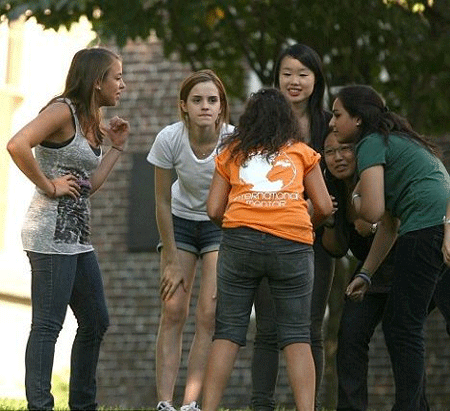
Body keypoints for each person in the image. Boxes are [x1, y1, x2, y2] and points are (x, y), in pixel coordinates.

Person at [6, 47, 129, 410]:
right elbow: (16, 144)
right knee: (48, 324)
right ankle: (40, 405)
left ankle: (83, 405)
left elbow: (88, 184)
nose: (123, 84)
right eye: (117, 77)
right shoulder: (62, 111)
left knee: (95, 321)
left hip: (77, 238)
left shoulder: (92, 120)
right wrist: (49, 184)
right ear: (96, 82)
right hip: (47, 234)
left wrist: (116, 148)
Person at [202, 87, 333, 411]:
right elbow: (325, 206)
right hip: (292, 245)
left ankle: (206, 408)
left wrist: (239, 228)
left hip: (239, 243)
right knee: (297, 334)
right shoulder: (302, 152)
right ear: (287, 120)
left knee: (228, 330)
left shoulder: (231, 153)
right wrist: (303, 224)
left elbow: (214, 209)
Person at [329, 84, 450, 410]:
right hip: (430, 227)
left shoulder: (370, 143)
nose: (331, 123)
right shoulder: (393, 142)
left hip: (426, 230)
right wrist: (366, 274)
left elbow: (372, 212)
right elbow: (390, 226)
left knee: (402, 325)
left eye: (337, 114)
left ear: (357, 119)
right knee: (403, 324)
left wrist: (355, 197)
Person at [250, 43, 333, 411]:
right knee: (267, 328)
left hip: (317, 236)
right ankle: (261, 404)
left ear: (316, 79)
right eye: (287, 74)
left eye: (303, 74)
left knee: (311, 328)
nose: (294, 81)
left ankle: (308, 406)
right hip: (267, 235)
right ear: (276, 78)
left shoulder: (330, 123)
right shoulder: (259, 124)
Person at [146, 69, 233, 411]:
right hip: (179, 223)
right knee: (173, 309)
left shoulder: (233, 142)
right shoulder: (169, 139)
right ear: (184, 106)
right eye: (197, 100)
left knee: (208, 314)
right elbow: (161, 201)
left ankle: (190, 403)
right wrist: (169, 258)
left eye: (212, 100)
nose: (205, 107)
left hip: (218, 224)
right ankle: (165, 402)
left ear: (221, 106)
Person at [320, 131, 398, 411]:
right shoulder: (331, 187)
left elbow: (395, 223)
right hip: (367, 275)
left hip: (404, 266)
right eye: (330, 152)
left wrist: (374, 225)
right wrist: (328, 221)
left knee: (403, 338)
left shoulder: (376, 175)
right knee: (350, 337)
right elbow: (337, 248)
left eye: (345, 149)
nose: (338, 157)